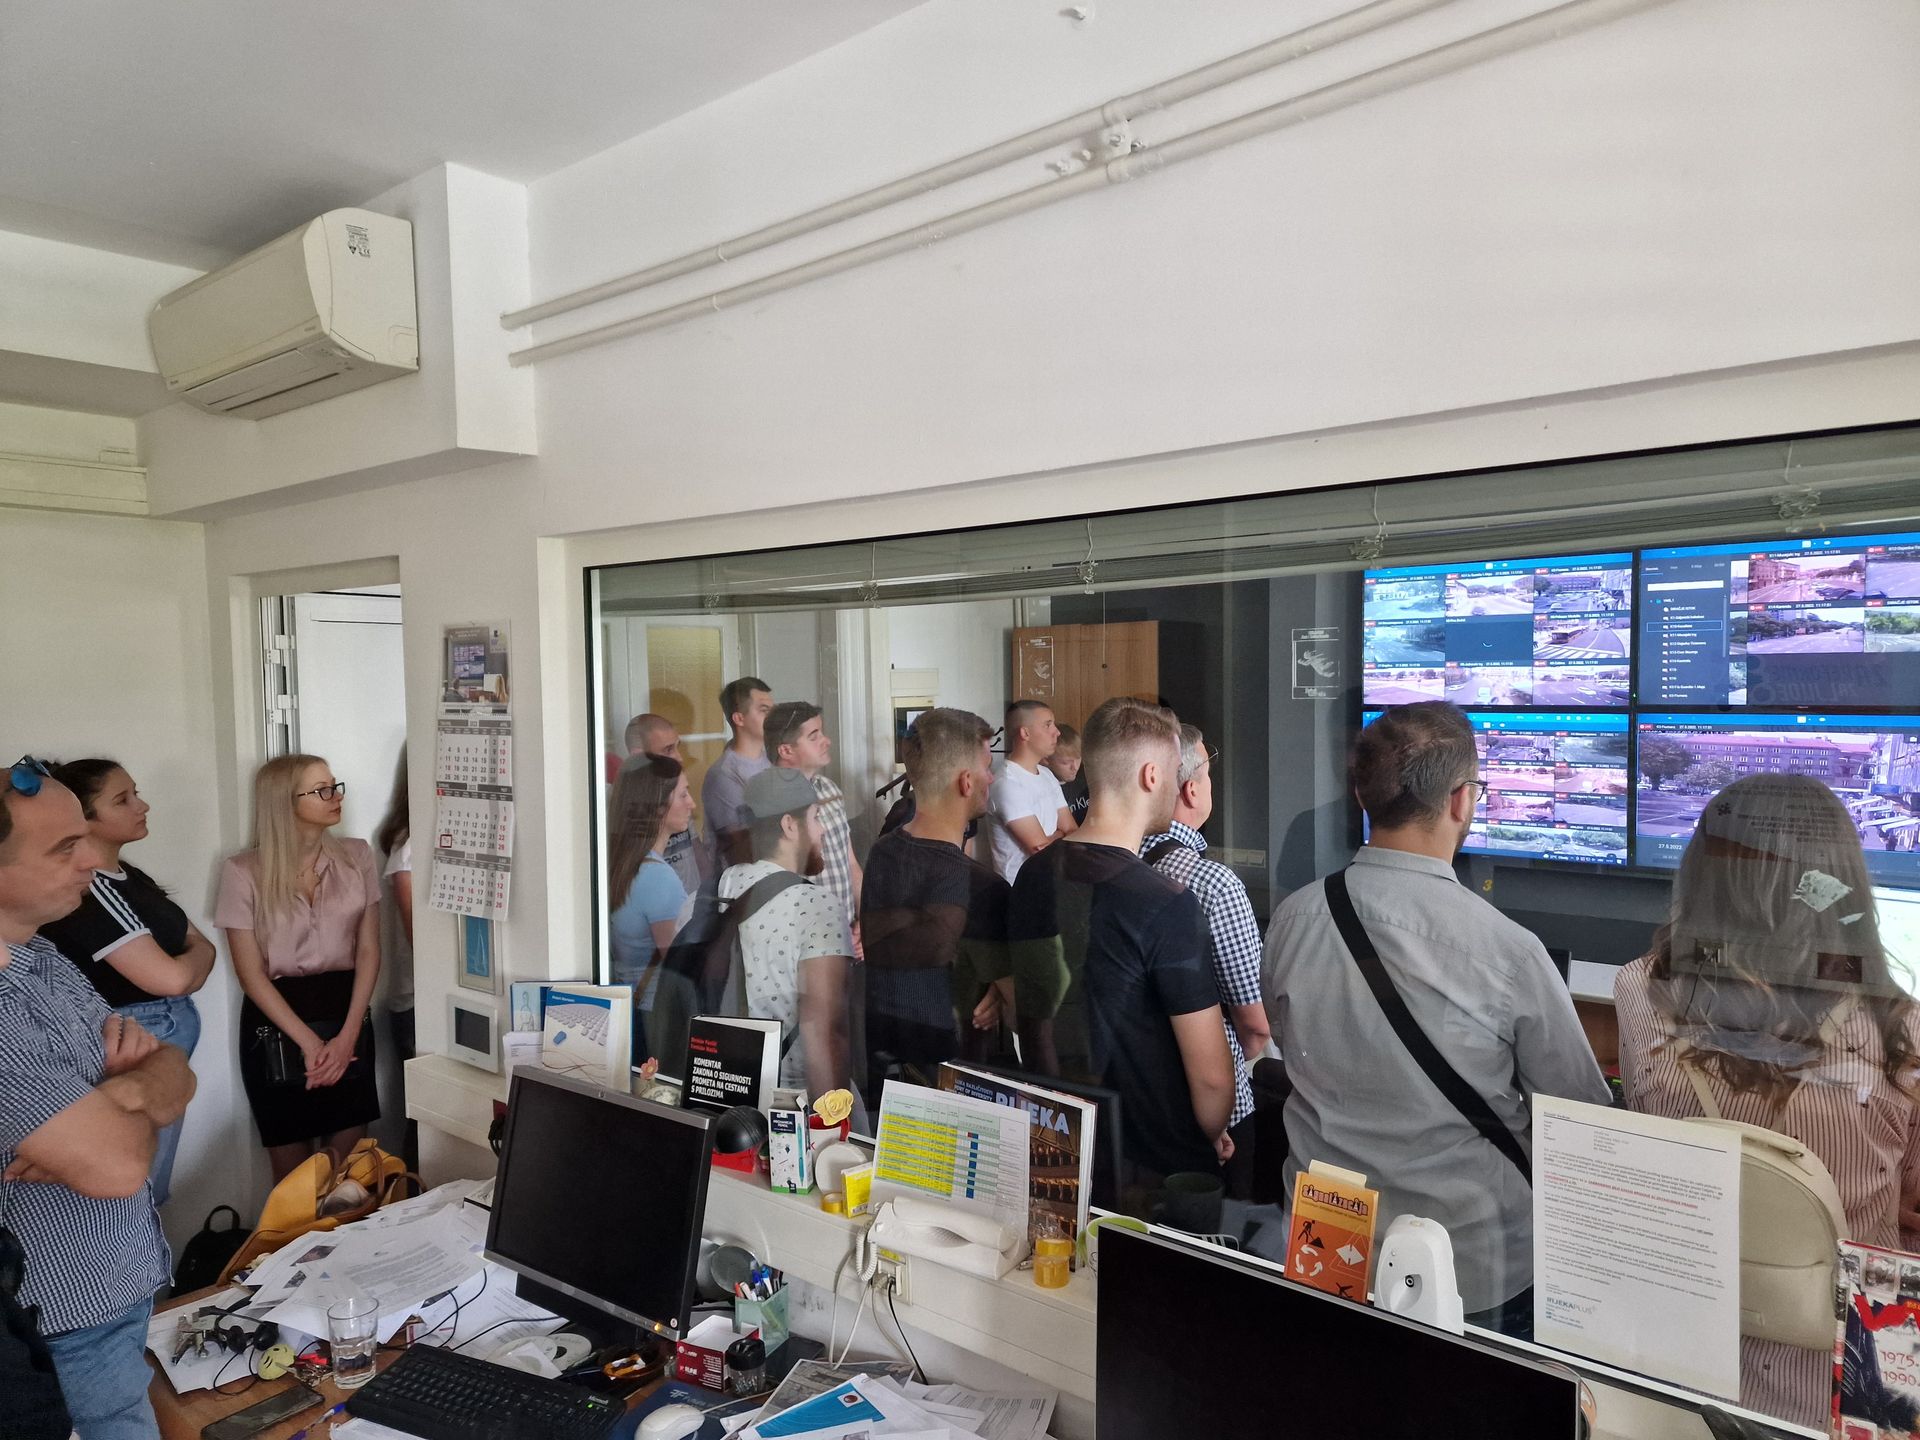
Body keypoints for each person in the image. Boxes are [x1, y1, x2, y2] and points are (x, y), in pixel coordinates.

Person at [1262, 702, 1608, 1335]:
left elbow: (1289, 1045)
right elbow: (1580, 1118)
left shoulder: (1293, 919)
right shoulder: (1509, 951)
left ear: (1362, 794)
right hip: (1470, 1261)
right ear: (1460, 800)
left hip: (1325, 1240)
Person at [1616, 773, 1920, 1429]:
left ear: (1703, 878)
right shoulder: (1902, 1031)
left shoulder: (1639, 990)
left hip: (1683, 1357)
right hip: (1851, 1380)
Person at [0, 756, 194, 1440]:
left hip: (114, 1295)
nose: (90, 860)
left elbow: (175, 1067)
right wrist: (138, 1102)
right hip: (59, 1326)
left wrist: (126, 1089)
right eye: (64, 848)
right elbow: (118, 1168)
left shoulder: (42, 958)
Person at [1009, 698, 1235, 1194]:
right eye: (1174, 771)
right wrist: (1211, 1131)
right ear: (1151, 776)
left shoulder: (1031, 875)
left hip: (1057, 1152)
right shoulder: (1166, 902)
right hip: (1151, 1173)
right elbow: (1213, 1080)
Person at [38, 758, 214, 1207]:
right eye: (123, 799)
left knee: (152, 1180)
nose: (142, 805)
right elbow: (173, 976)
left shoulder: (130, 876)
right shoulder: (92, 890)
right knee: (137, 1186)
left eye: (136, 793)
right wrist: (190, 967)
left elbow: (202, 945)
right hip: (135, 1041)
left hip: (159, 1044)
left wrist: (190, 965)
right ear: (84, 818)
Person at [216, 755, 382, 1182]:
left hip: (347, 1011)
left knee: (349, 1178)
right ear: (284, 802)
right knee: (294, 1182)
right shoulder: (242, 871)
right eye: (321, 790)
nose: (336, 796)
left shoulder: (357, 855)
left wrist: (348, 1036)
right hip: (275, 1023)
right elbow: (250, 974)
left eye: (334, 785)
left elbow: (369, 950)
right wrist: (309, 1043)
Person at [861, 709, 1011, 1100]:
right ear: (966, 782)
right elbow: (1022, 1011)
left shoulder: (881, 853)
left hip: (886, 1074)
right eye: (986, 767)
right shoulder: (984, 887)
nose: (992, 777)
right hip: (956, 1085)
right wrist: (1002, 988)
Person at [1140, 726, 1272, 1171]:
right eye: (1209, 776)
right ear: (1192, 790)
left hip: (1137, 1101)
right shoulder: (1214, 883)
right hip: (1216, 1116)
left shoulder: (1111, 864)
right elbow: (1254, 1025)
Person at [721, 767, 856, 1103]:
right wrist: (831, 1123)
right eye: (816, 818)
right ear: (789, 825)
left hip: (727, 1084)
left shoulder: (725, 885)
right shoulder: (817, 906)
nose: (822, 830)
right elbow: (825, 1036)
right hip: (792, 1099)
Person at [766, 701, 862, 945]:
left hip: (846, 933)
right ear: (786, 750)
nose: (826, 741)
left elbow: (850, 863)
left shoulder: (829, 789)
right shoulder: (767, 803)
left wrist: (864, 919)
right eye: (814, 736)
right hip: (805, 941)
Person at [607, 754, 695, 1010]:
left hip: (633, 1003)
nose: (691, 803)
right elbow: (680, 964)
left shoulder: (623, 863)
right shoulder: (657, 878)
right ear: (658, 807)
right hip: (658, 1011)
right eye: (683, 795)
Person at [373, 755, 416, 1168]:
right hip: (416, 1001)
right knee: (424, 1119)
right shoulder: (409, 845)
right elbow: (419, 937)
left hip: (427, 1000)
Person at [985, 700, 1077, 885]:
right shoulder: (1007, 783)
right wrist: (1059, 834)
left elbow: (1072, 830)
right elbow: (1041, 851)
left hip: (1051, 884)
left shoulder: (1046, 774)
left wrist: (1054, 837)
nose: (1057, 732)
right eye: (1048, 725)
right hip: (1019, 890)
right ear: (1025, 733)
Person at [702, 677, 774, 870]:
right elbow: (741, 847)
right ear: (739, 718)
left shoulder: (770, 761)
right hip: (744, 879)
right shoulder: (723, 774)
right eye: (764, 710)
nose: (773, 717)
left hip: (774, 871)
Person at [625, 713, 700, 892]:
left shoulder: (678, 794)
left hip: (692, 902)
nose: (679, 757)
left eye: (677, 747)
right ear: (639, 756)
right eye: (668, 750)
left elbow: (697, 852)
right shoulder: (623, 807)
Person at [1044, 724, 1090, 826]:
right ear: (1046, 760)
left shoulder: (1088, 776)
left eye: (1078, 758)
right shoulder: (1043, 791)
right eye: (1066, 762)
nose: (1075, 767)